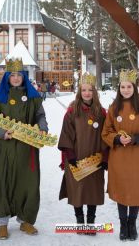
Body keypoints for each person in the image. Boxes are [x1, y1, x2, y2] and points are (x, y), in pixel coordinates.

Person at [0, 58, 48, 239]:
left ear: (24, 76)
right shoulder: (0, 97)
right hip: (6, 147)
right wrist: (1, 132)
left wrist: (43, 129)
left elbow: (40, 115)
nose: (15, 78)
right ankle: (2, 223)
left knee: (29, 184)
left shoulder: (33, 97)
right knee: (4, 183)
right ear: (7, 77)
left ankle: (26, 221)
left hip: (28, 148)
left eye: (18, 75)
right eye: (12, 75)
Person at [101, 69, 139, 241]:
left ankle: (132, 223)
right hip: (119, 157)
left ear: (134, 88)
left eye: (129, 87)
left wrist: (137, 138)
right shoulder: (114, 109)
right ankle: (123, 224)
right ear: (119, 88)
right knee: (122, 189)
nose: (125, 90)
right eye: (122, 87)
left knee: (135, 190)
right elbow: (106, 132)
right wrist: (118, 139)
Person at [58, 72, 108, 235]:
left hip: (95, 158)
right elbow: (66, 133)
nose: (87, 93)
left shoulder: (101, 113)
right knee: (77, 190)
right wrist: (70, 156)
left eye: (90, 90)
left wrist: (105, 157)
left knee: (92, 190)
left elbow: (106, 135)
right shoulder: (72, 112)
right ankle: (80, 222)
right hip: (76, 158)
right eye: (84, 90)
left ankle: (91, 222)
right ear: (80, 92)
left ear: (94, 92)